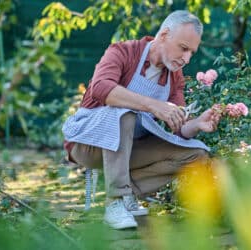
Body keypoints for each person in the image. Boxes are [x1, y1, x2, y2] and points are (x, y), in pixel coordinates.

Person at [62, 10, 220, 230]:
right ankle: (114, 202)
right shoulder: (123, 51)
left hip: (131, 150)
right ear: (164, 35)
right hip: (88, 143)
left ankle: (125, 194)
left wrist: (196, 124)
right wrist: (154, 105)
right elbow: (100, 88)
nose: (186, 59)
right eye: (183, 48)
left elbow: (179, 128)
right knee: (124, 113)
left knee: (196, 154)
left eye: (192, 53)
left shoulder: (174, 77)